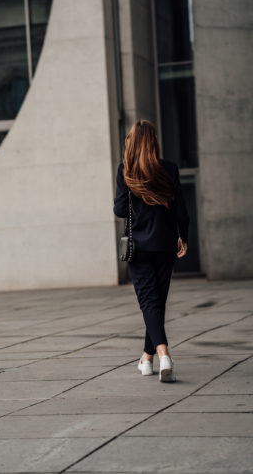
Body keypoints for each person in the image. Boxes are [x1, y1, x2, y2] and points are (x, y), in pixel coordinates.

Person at [113, 119, 189, 382]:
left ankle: (163, 354)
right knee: (156, 302)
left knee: (149, 302)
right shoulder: (169, 169)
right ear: (153, 142)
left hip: (139, 248)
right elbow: (181, 210)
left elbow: (120, 210)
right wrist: (184, 237)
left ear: (131, 143)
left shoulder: (127, 171)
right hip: (166, 246)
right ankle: (147, 358)